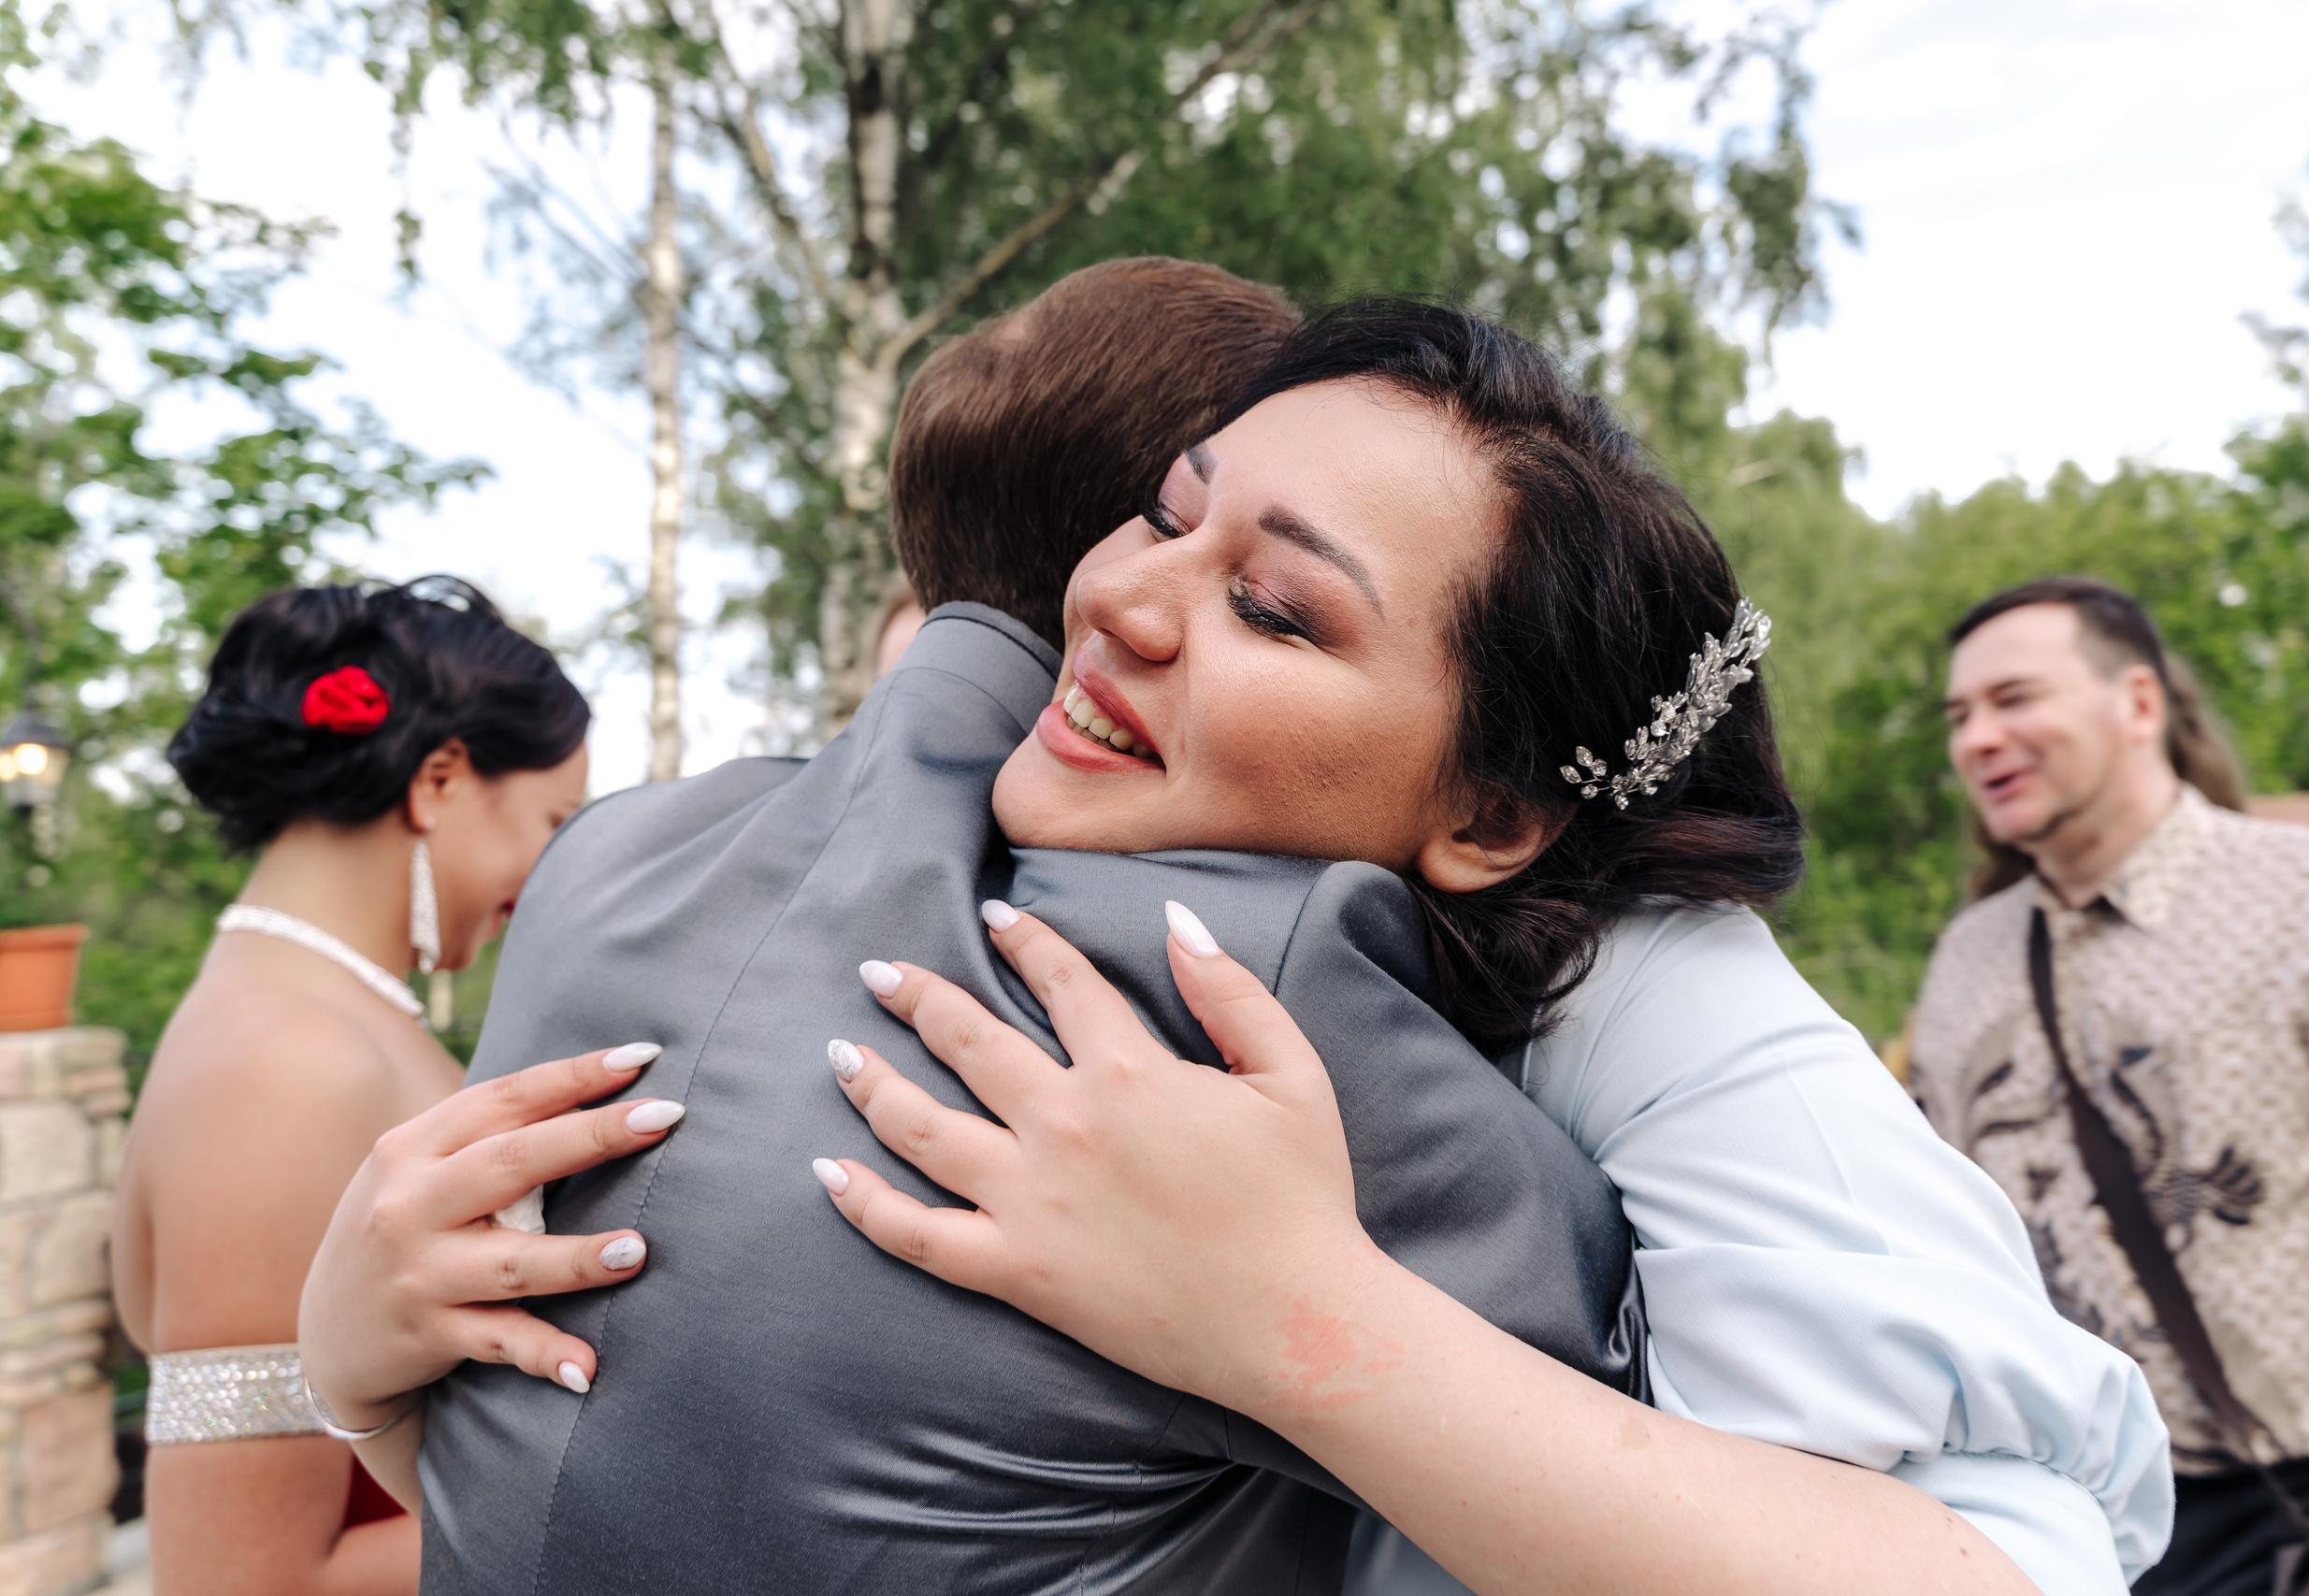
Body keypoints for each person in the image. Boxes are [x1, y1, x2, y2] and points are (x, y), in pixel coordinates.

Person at [301, 300, 2165, 1591]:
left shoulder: (1650, 992)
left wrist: (1298, 1323)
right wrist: (370, 1372)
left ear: (1493, 817)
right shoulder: (880, 888)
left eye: (1272, 607)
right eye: (1161, 517)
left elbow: (2004, 1563)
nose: (1111, 601)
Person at [1911, 575, 2309, 1595]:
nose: (1977, 740)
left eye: (2014, 699)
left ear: (2138, 705)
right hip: (2085, 1525)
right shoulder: (1964, 963)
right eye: (1959, 716)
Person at [110, 578, 590, 1596]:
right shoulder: (279, 1066)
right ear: (440, 781)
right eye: (555, 819)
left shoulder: (316, 1017)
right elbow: (239, 1580)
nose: (553, 874)